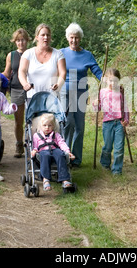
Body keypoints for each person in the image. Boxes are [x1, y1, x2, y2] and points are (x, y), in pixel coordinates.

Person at [60, 23, 102, 168]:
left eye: (77, 38)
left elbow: (97, 71)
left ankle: (76, 160)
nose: (74, 40)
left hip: (81, 94)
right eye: (71, 37)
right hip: (65, 93)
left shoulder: (87, 55)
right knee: (68, 123)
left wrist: (107, 80)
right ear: (67, 38)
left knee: (79, 126)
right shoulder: (61, 53)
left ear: (80, 39)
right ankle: (65, 155)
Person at [93, 68, 130, 175]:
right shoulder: (102, 92)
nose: (112, 83)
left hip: (119, 122)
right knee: (107, 146)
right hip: (107, 123)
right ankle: (105, 164)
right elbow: (98, 109)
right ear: (105, 80)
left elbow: (125, 107)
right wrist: (95, 104)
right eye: (110, 80)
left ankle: (117, 170)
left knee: (119, 148)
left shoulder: (120, 92)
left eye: (115, 81)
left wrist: (126, 119)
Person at [18, 23, 67, 101]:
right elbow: (21, 71)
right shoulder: (28, 53)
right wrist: (25, 84)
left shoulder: (58, 54)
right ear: (37, 37)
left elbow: (63, 73)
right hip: (32, 97)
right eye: (43, 35)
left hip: (52, 97)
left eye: (48, 35)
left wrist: (58, 84)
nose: (45, 37)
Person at [2, 28, 31, 158]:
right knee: (18, 120)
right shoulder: (11, 55)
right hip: (16, 88)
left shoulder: (32, 53)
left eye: (23, 40)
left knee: (32, 119)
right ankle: (19, 145)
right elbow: (7, 73)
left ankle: (33, 146)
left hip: (31, 89)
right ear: (15, 42)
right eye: (18, 40)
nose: (21, 43)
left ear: (27, 40)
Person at [31, 113, 75, 191]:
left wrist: (67, 152)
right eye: (44, 125)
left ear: (53, 126)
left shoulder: (56, 135)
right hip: (43, 151)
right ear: (40, 126)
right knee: (45, 156)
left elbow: (62, 143)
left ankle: (65, 179)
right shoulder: (36, 135)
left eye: (49, 125)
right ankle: (46, 179)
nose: (47, 128)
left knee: (61, 155)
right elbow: (35, 145)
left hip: (55, 150)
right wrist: (34, 150)